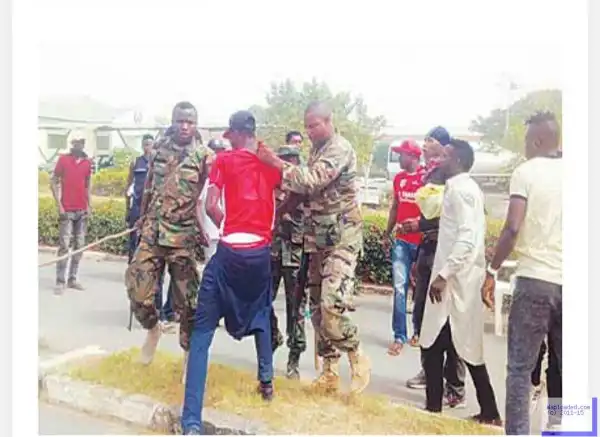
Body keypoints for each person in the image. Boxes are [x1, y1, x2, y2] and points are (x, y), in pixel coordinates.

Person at [256, 101, 371, 394]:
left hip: (342, 238)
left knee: (331, 304)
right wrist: (278, 212)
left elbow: (311, 180)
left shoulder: (339, 148)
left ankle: (356, 354)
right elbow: (304, 193)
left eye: (314, 125)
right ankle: (330, 372)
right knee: (319, 312)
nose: (309, 131)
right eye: (306, 126)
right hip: (317, 240)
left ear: (329, 121)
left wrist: (275, 162)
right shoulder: (317, 150)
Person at [181, 110, 281, 435]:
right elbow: (291, 191)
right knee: (263, 313)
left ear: (237, 133)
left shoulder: (223, 160)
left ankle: (191, 422)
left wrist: (225, 221)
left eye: (230, 135)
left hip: (229, 252)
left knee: (202, 332)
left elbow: (210, 204)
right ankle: (266, 383)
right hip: (259, 253)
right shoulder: (271, 162)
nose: (228, 139)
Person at [487, 111, 562, 434]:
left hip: (534, 281)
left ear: (537, 140)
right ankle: (565, 427)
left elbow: (512, 227)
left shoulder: (526, 172)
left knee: (520, 370)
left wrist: (492, 268)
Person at [419, 138, 501, 425]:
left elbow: (466, 240)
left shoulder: (462, 191)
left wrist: (442, 275)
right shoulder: (462, 189)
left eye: (443, 156)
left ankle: (444, 411)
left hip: (456, 283)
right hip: (457, 281)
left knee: (453, 347)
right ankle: (441, 411)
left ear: (456, 161)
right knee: (440, 345)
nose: (437, 161)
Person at [125, 101, 211, 366]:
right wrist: (141, 217)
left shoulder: (205, 156)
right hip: (153, 229)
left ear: (196, 124)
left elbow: (208, 196)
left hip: (184, 236)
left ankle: (187, 353)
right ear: (173, 122)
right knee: (137, 288)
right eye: (180, 121)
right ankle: (153, 329)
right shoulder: (159, 150)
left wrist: (207, 229)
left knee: (187, 302)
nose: (185, 126)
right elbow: (148, 185)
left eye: (190, 122)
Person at [401, 127, 466, 409]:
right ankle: (429, 372)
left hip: (446, 256)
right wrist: (418, 258)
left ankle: (455, 386)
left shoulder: (456, 180)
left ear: (444, 148)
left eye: (430, 141)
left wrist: (420, 225)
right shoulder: (430, 175)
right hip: (427, 251)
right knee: (421, 317)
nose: (424, 145)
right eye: (425, 140)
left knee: (448, 324)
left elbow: (453, 221)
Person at [125, 134, 175, 328]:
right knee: (144, 269)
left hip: (170, 228)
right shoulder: (139, 164)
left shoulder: (174, 167)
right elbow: (137, 191)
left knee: (171, 273)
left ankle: (166, 312)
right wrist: (135, 215)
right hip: (143, 218)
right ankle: (153, 312)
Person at [269, 145, 307, 379]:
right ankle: (272, 337)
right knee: (262, 301)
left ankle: (294, 357)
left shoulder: (304, 189)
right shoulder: (269, 186)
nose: (288, 165)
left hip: (295, 254)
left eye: (292, 161)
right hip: (271, 252)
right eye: (284, 160)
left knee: (297, 309)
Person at [384, 139, 424, 356]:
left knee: (419, 289)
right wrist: (386, 232)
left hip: (421, 243)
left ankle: (418, 331)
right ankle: (399, 335)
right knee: (399, 288)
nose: (399, 158)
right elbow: (395, 207)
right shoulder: (398, 179)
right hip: (401, 241)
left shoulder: (426, 178)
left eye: (402, 154)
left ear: (414, 157)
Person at [50, 134, 93, 295]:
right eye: (76, 142)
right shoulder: (63, 160)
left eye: (81, 142)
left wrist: (90, 205)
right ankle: (60, 281)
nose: (79, 145)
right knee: (64, 246)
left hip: (81, 211)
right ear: (72, 144)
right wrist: (59, 204)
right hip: (67, 210)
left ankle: (72, 279)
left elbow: (88, 185)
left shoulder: (87, 163)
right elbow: (53, 181)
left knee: (79, 246)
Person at [198, 138, 229, 262]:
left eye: (221, 152)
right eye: (215, 152)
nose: (217, 156)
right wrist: (202, 229)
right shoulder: (207, 180)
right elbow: (199, 204)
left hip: (228, 235)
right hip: (212, 233)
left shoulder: (231, 176)